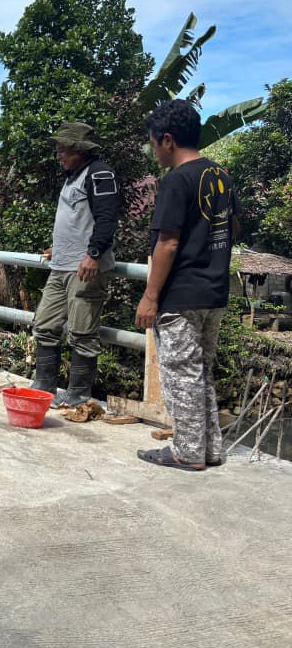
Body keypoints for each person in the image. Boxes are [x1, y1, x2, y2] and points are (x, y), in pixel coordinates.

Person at [135, 100, 239, 471]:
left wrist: (150, 296)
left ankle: (188, 452)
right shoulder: (221, 176)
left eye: (153, 143)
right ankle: (210, 449)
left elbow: (168, 242)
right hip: (215, 291)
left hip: (181, 293)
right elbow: (233, 228)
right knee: (202, 371)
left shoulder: (177, 180)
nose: (153, 151)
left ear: (167, 140)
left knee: (181, 373)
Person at [30, 122, 120, 409]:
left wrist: (93, 254)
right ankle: (44, 385)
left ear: (80, 150)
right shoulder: (72, 176)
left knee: (82, 332)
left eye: (63, 149)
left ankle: (78, 394)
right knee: (44, 324)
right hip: (61, 265)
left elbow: (107, 218)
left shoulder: (100, 174)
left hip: (85, 268)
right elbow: (77, 220)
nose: (59, 154)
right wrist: (58, 248)